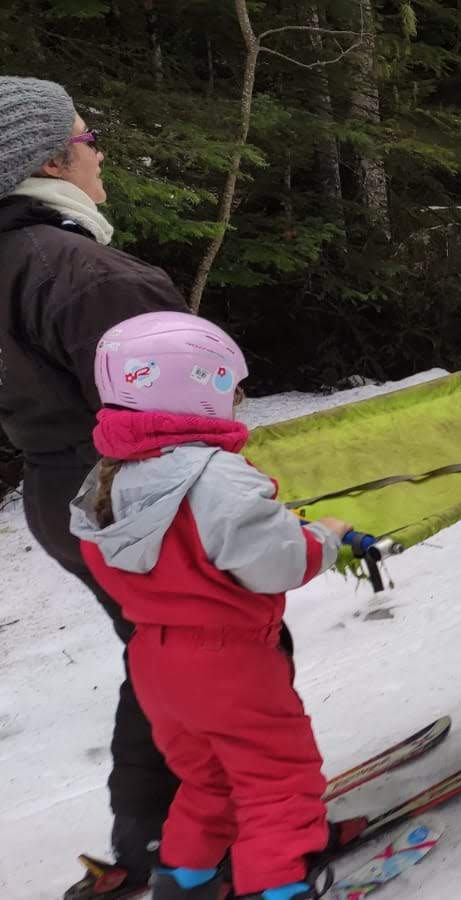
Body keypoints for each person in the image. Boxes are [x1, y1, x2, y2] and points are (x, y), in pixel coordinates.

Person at [70, 311, 352, 900]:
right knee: (278, 782)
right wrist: (322, 537)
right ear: (201, 387)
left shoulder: (107, 479)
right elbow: (276, 562)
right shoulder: (216, 478)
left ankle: (185, 884)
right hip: (230, 664)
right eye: (232, 389)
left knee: (209, 782)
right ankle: (277, 888)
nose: (237, 402)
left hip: (155, 664)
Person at [0, 75, 186, 898]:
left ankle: (151, 833)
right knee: (218, 651)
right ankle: (215, 832)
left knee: (161, 650)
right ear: (49, 159)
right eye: (86, 135)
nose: (98, 150)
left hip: (61, 492)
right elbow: (174, 415)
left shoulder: (22, 261)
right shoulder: (83, 272)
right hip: (129, 493)